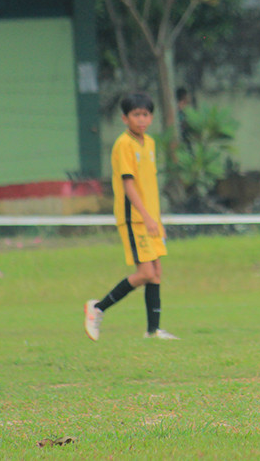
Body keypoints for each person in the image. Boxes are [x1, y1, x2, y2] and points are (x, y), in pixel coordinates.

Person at [84, 92, 179, 341]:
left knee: (156, 271)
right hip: (134, 219)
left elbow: (148, 184)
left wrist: (156, 220)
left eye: (146, 114)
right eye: (136, 115)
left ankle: (153, 330)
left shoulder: (148, 143)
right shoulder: (123, 144)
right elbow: (129, 185)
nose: (142, 119)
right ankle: (97, 308)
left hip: (150, 218)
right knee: (146, 273)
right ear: (125, 118)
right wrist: (146, 217)